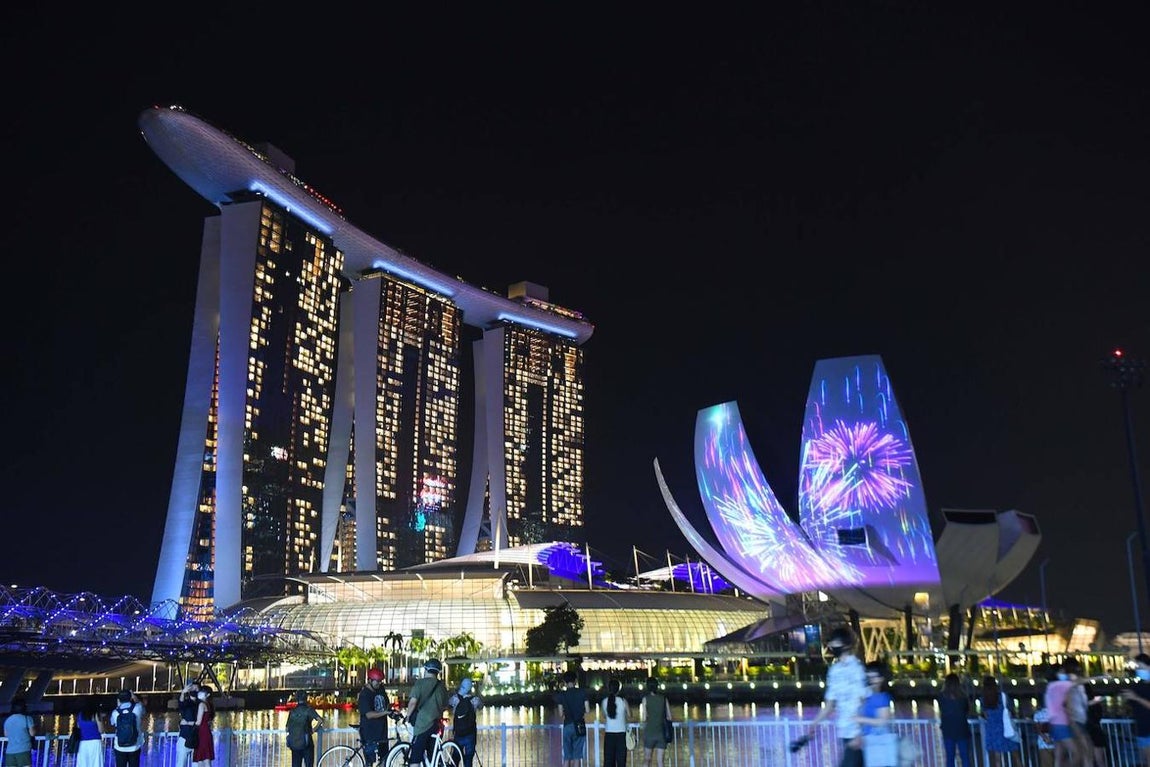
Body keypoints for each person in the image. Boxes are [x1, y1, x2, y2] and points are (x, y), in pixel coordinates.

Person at [801, 626, 867, 767]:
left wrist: (861, 732)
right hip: (844, 731)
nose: (832, 646)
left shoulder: (857, 669)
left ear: (846, 644)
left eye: (835, 642)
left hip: (858, 733)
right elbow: (830, 705)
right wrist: (814, 723)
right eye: (832, 643)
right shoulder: (834, 671)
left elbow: (863, 701)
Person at [404, 658, 448, 767]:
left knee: (415, 758)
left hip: (423, 725)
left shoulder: (420, 683)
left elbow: (412, 703)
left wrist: (408, 716)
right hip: (437, 724)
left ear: (426, 670)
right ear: (438, 672)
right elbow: (445, 705)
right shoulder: (442, 686)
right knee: (432, 754)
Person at [856, 661, 896, 767]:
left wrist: (860, 719)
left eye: (874, 677)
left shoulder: (882, 697)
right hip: (869, 741)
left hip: (878, 742)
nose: (870, 679)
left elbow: (883, 720)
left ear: (881, 679)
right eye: (868, 676)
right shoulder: (867, 695)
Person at [981, 676, 1020, 767]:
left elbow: (985, 715)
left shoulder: (984, 700)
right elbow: (1010, 710)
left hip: (992, 730)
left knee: (997, 759)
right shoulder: (1002, 697)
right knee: (1016, 756)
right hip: (1006, 728)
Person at [555, 670, 590, 767]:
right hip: (579, 726)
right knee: (577, 757)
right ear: (575, 681)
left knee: (567, 757)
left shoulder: (561, 695)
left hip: (567, 725)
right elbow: (587, 710)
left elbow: (561, 714)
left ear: (565, 682)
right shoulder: (582, 692)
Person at [357, 667, 391, 767]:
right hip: (370, 733)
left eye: (381, 681)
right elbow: (369, 714)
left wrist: (391, 712)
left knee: (384, 759)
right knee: (370, 762)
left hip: (382, 732)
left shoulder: (381, 689)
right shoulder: (364, 695)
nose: (379, 684)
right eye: (377, 682)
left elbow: (387, 704)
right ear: (370, 680)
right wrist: (385, 713)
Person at [938, 672, 973, 767]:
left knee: (950, 758)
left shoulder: (942, 697)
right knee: (965, 757)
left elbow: (942, 709)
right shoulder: (963, 697)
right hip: (962, 730)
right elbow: (967, 710)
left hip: (948, 731)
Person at [1122, 653, 1150, 767]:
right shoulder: (1136, 685)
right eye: (1137, 667)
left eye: (1141, 667)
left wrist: (1136, 698)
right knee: (1145, 759)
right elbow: (1130, 706)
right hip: (1141, 729)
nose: (1138, 670)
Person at [447, 677, 483, 767]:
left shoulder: (455, 699)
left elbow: (448, 704)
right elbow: (481, 706)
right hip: (470, 733)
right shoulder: (475, 700)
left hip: (458, 733)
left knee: (455, 757)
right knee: (468, 758)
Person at [285, 690, 326, 767]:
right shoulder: (308, 710)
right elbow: (320, 720)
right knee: (309, 764)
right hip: (307, 743)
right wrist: (313, 730)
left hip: (295, 743)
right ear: (306, 698)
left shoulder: (293, 711)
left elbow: (287, 728)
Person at [638, 676, 670, 767]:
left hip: (649, 733)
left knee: (647, 759)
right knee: (660, 761)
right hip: (661, 733)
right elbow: (669, 716)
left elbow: (644, 718)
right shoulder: (664, 698)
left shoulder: (645, 699)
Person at [110, 689, 146, 767]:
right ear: (130, 698)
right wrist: (135, 698)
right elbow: (144, 710)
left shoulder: (115, 712)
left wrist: (118, 706)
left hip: (119, 747)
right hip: (135, 746)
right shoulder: (137, 708)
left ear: (119, 700)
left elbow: (112, 723)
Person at [600, 677, 629, 767]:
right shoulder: (623, 701)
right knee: (621, 760)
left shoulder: (605, 701)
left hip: (609, 733)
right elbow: (630, 714)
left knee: (609, 760)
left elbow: (604, 716)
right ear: (618, 689)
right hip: (621, 733)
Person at [3, 698, 37, 767]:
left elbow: (6, 734)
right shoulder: (27, 718)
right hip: (23, 750)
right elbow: (32, 733)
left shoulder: (8, 720)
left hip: (10, 752)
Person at [177, 682, 200, 767]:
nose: (194, 690)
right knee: (181, 763)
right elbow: (181, 703)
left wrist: (188, 723)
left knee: (196, 764)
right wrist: (183, 692)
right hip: (185, 737)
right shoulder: (186, 704)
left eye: (196, 689)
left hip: (197, 739)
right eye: (192, 688)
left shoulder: (201, 704)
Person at [192, 684, 215, 767]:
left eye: (202, 692)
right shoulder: (209, 705)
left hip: (201, 732)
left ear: (207, 694)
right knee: (206, 756)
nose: (200, 693)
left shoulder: (201, 705)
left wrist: (188, 724)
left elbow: (198, 721)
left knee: (202, 758)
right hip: (207, 732)